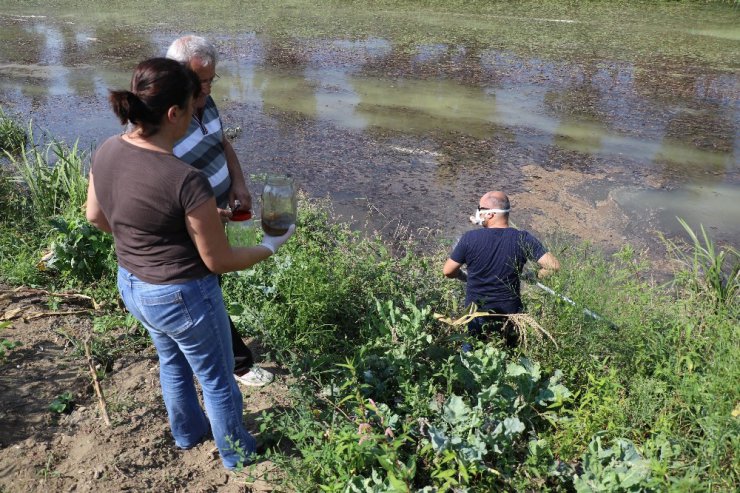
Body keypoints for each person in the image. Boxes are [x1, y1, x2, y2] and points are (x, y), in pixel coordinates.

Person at [85, 57, 295, 469]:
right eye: (191, 107)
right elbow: (217, 260)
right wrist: (271, 245)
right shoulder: (185, 178)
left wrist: (155, 237)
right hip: (183, 295)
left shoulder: (108, 149)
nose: (197, 116)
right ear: (173, 113)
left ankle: (187, 434)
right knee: (217, 380)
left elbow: (95, 215)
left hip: (133, 284)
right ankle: (239, 457)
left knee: (172, 363)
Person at [165, 35, 273, 387]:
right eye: (200, 81)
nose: (207, 88)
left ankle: (188, 346)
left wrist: (238, 184)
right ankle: (239, 364)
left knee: (210, 285)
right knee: (206, 287)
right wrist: (207, 210)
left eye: (212, 79)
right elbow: (163, 184)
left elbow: (222, 142)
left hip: (219, 210)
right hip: (191, 222)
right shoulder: (163, 120)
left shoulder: (206, 104)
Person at [443, 191, 559, 347]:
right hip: (511, 315)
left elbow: (448, 271)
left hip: (477, 313)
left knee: (472, 355)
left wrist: (465, 277)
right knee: (509, 356)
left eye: (480, 208)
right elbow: (553, 267)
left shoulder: (470, 238)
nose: (477, 211)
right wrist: (532, 276)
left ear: (490, 214)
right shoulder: (523, 238)